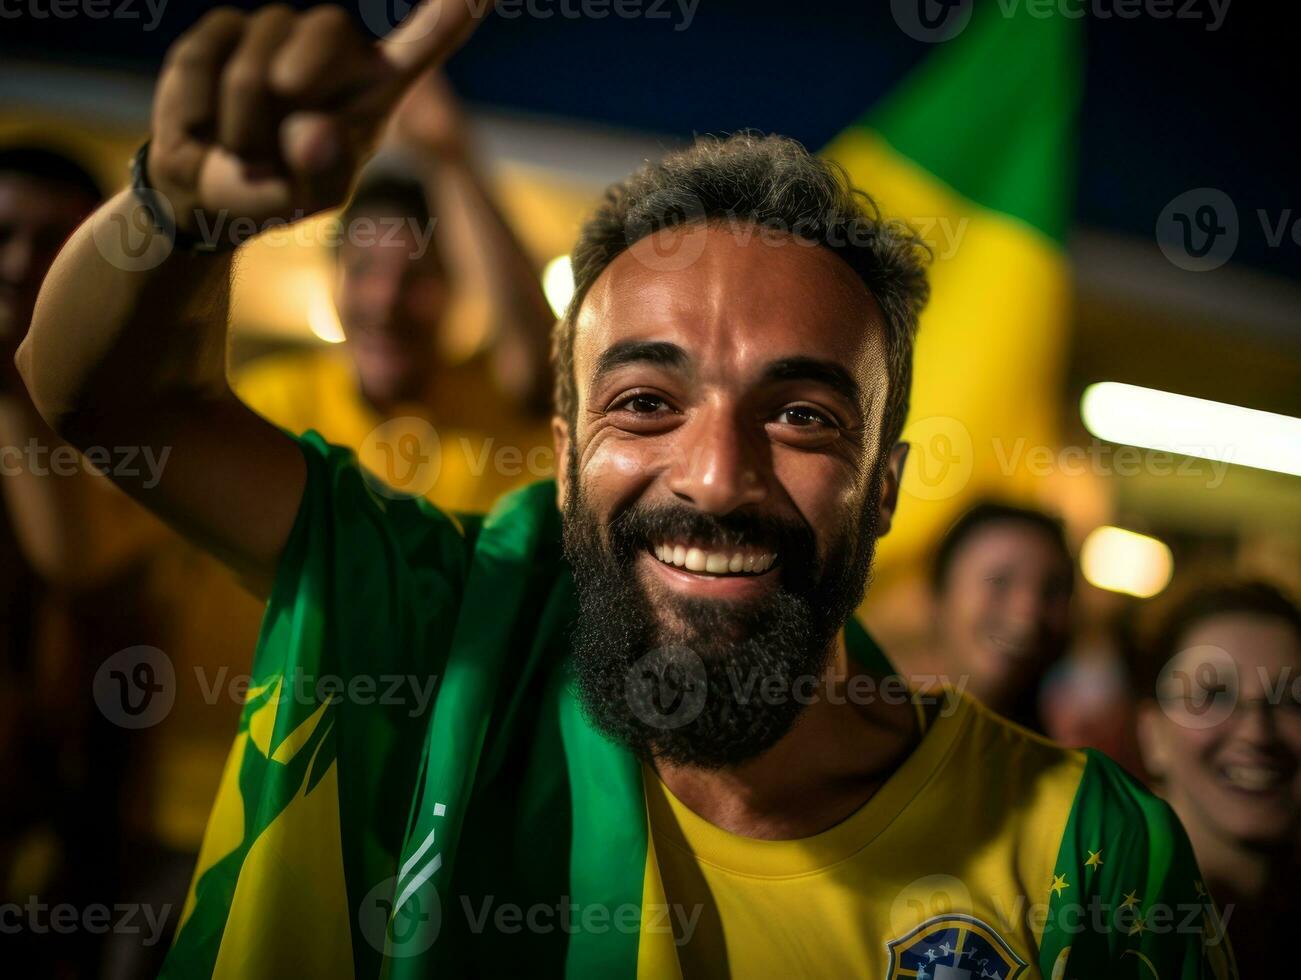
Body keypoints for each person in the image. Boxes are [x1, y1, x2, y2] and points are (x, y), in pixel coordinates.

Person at [16, 3, 1234, 977]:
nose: (713, 475)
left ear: (883, 487)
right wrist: (176, 214)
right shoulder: (445, 620)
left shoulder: (1089, 855)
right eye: (646, 401)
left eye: (802, 415)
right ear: (558, 450)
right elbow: (107, 402)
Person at [234, 69, 556, 512]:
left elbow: (543, 364)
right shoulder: (275, 405)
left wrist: (451, 158)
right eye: (364, 270)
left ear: (453, 291)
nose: (385, 299)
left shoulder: (490, 407)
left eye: (417, 276)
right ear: (333, 279)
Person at [1135, 579, 1301, 980]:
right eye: (1213, 696)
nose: (1257, 733)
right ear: (1152, 734)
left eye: (1292, 700)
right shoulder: (1086, 924)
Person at [925, 501, 1075, 730]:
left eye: (1052, 590)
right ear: (939, 594)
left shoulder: (1076, 757)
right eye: (1000, 582)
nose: (1027, 612)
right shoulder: (873, 738)